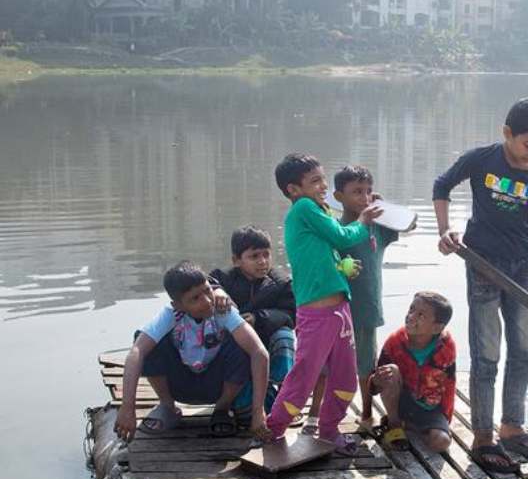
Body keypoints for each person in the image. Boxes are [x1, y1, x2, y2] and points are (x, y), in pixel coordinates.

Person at [433, 97, 528, 474]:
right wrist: (444, 230)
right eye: (527, 144)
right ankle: (484, 436)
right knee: (486, 354)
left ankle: (512, 427)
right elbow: (442, 186)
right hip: (481, 265)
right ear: (507, 133)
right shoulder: (482, 159)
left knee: (524, 352)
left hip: (520, 269)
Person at [263, 153, 381, 454]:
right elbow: (341, 236)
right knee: (304, 376)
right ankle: (273, 430)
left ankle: (329, 431)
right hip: (317, 314)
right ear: (293, 189)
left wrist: (343, 268)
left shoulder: (318, 212)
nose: (322, 186)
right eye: (315, 181)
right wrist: (364, 220)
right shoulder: (303, 208)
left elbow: (326, 252)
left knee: (345, 378)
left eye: (323, 180)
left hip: (340, 310)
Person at [113, 261, 270, 441]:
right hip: (181, 384)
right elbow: (136, 352)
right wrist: (127, 407)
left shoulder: (222, 311)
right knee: (144, 341)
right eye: (195, 298)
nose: (207, 301)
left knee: (242, 345)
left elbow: (259, 352)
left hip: (217, 387)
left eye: (207, 291)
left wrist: (259, 412)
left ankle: (222, 410)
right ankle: (168, 407)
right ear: (178, 305)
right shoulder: (171, 315)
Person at [333, 165, 412, 429]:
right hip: (338, 308)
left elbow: (410, 223)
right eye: (356, 192)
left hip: (367, 307)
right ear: (338, 196)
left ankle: (366, 413)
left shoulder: (376, 227)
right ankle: (323, 415)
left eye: (367, 191)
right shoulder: (335, 229)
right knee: (331, 362)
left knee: (366, 364)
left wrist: (385, 207)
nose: (364, 198)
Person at [210, 226, 296, 416]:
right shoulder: (225, 278)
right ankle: (256, 398)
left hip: (268, 340)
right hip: (239, 347)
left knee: (285, 337)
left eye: (266, 255)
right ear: (237, 261)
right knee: (244, 409)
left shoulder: (281, 282)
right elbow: (205, 282)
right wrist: (217, 290)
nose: (262, 261)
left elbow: (291, 314)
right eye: (254, 256)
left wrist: (259, 318)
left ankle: (285, 392)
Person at [370, 292, 457, 453]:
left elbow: (450, 386)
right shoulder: (395, 341)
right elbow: (374, 386)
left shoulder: (446, 347)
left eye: (421, 315)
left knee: (441, 443)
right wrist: (376, 381)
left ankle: (411, 426)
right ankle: (394, 424)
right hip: (401, 401)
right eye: (411, 309)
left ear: (437, 327)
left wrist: (445, 418)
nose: (411, 316)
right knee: (391, 371)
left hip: (430, 409)